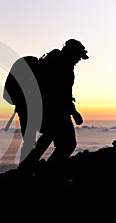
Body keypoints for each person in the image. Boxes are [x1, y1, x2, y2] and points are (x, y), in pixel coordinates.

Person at [21, 39, 88, 177]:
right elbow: (61, 94)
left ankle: (29, 168)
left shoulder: (51, 60)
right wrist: (74, 112)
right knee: (68, 144)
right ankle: (48, 176)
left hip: (40, 111)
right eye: (78, 57)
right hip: (54, 111)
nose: (78, 61)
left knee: (50, 136)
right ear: (72, 53)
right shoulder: (64, 67)